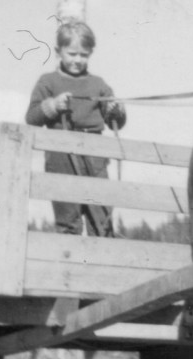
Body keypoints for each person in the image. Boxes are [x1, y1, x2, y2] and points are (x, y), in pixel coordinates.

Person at [25, 21, 127, 236]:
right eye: (72, 54)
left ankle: (101, 267)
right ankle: (67, 269)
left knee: (101, 220)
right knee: (68, 222)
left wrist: (115, 109)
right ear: (58, 51)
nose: (77, 60)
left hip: (96, 156)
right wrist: (52, 106)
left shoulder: (98, 84)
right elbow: (32, 117)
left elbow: (116, 121)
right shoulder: (48, 82)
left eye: (84, 55)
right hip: (60, 158)